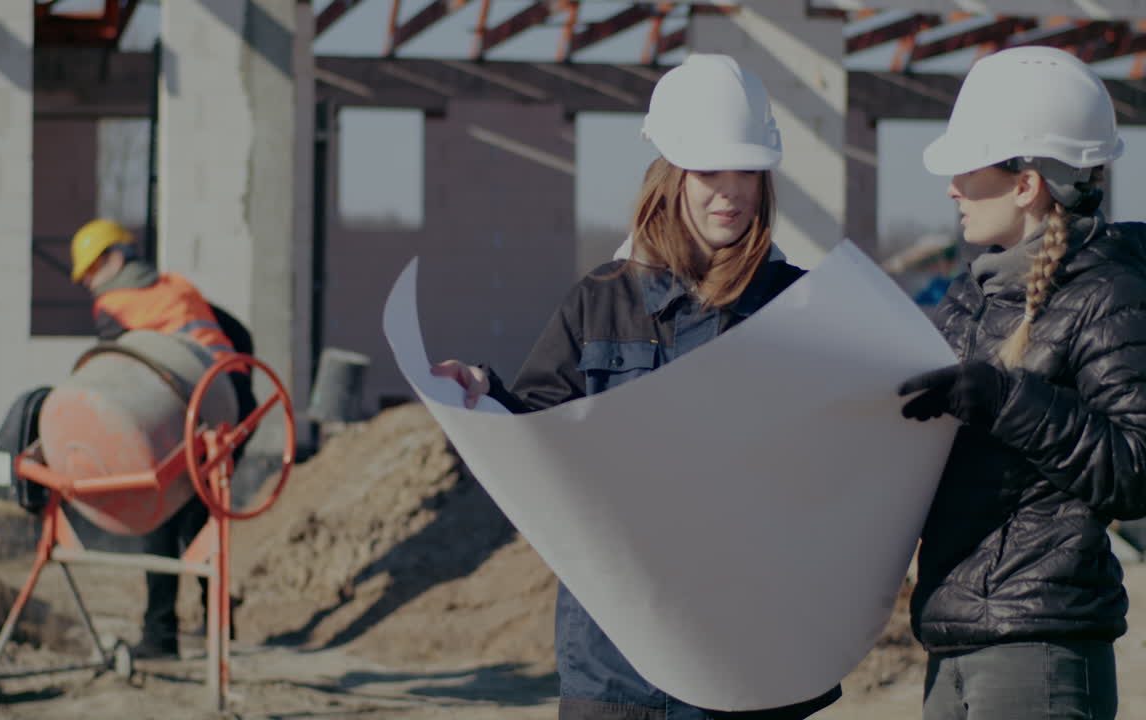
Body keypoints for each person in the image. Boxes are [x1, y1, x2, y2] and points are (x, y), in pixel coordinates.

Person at [432, 54, 841, 720]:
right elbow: (541, 441)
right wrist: (484, 395)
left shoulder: (802, 309)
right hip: (618, 667)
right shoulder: (600, 302)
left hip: (745, 660)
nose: (730, 193)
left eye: (746, 172)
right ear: (671, 175)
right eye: (709, 172)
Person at [896, 46, 1146, 720]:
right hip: (952, 638)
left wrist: (1008, 400)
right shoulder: (969, 298)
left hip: (1040, 652)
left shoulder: (1110, 293)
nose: (951, 188)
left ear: (1026, 183)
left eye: (966, 168)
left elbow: (1136, 470)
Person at [70, 218, 258, 658]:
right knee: (197, 513)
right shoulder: (177, 286)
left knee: (160, 512)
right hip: (235, 403)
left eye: (91, 270)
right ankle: (218, 626)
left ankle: (160, 636)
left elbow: (120, 372)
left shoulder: (114, 305)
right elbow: (240, 335)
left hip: (189, 408)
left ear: (114, 258)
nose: (90, 283)